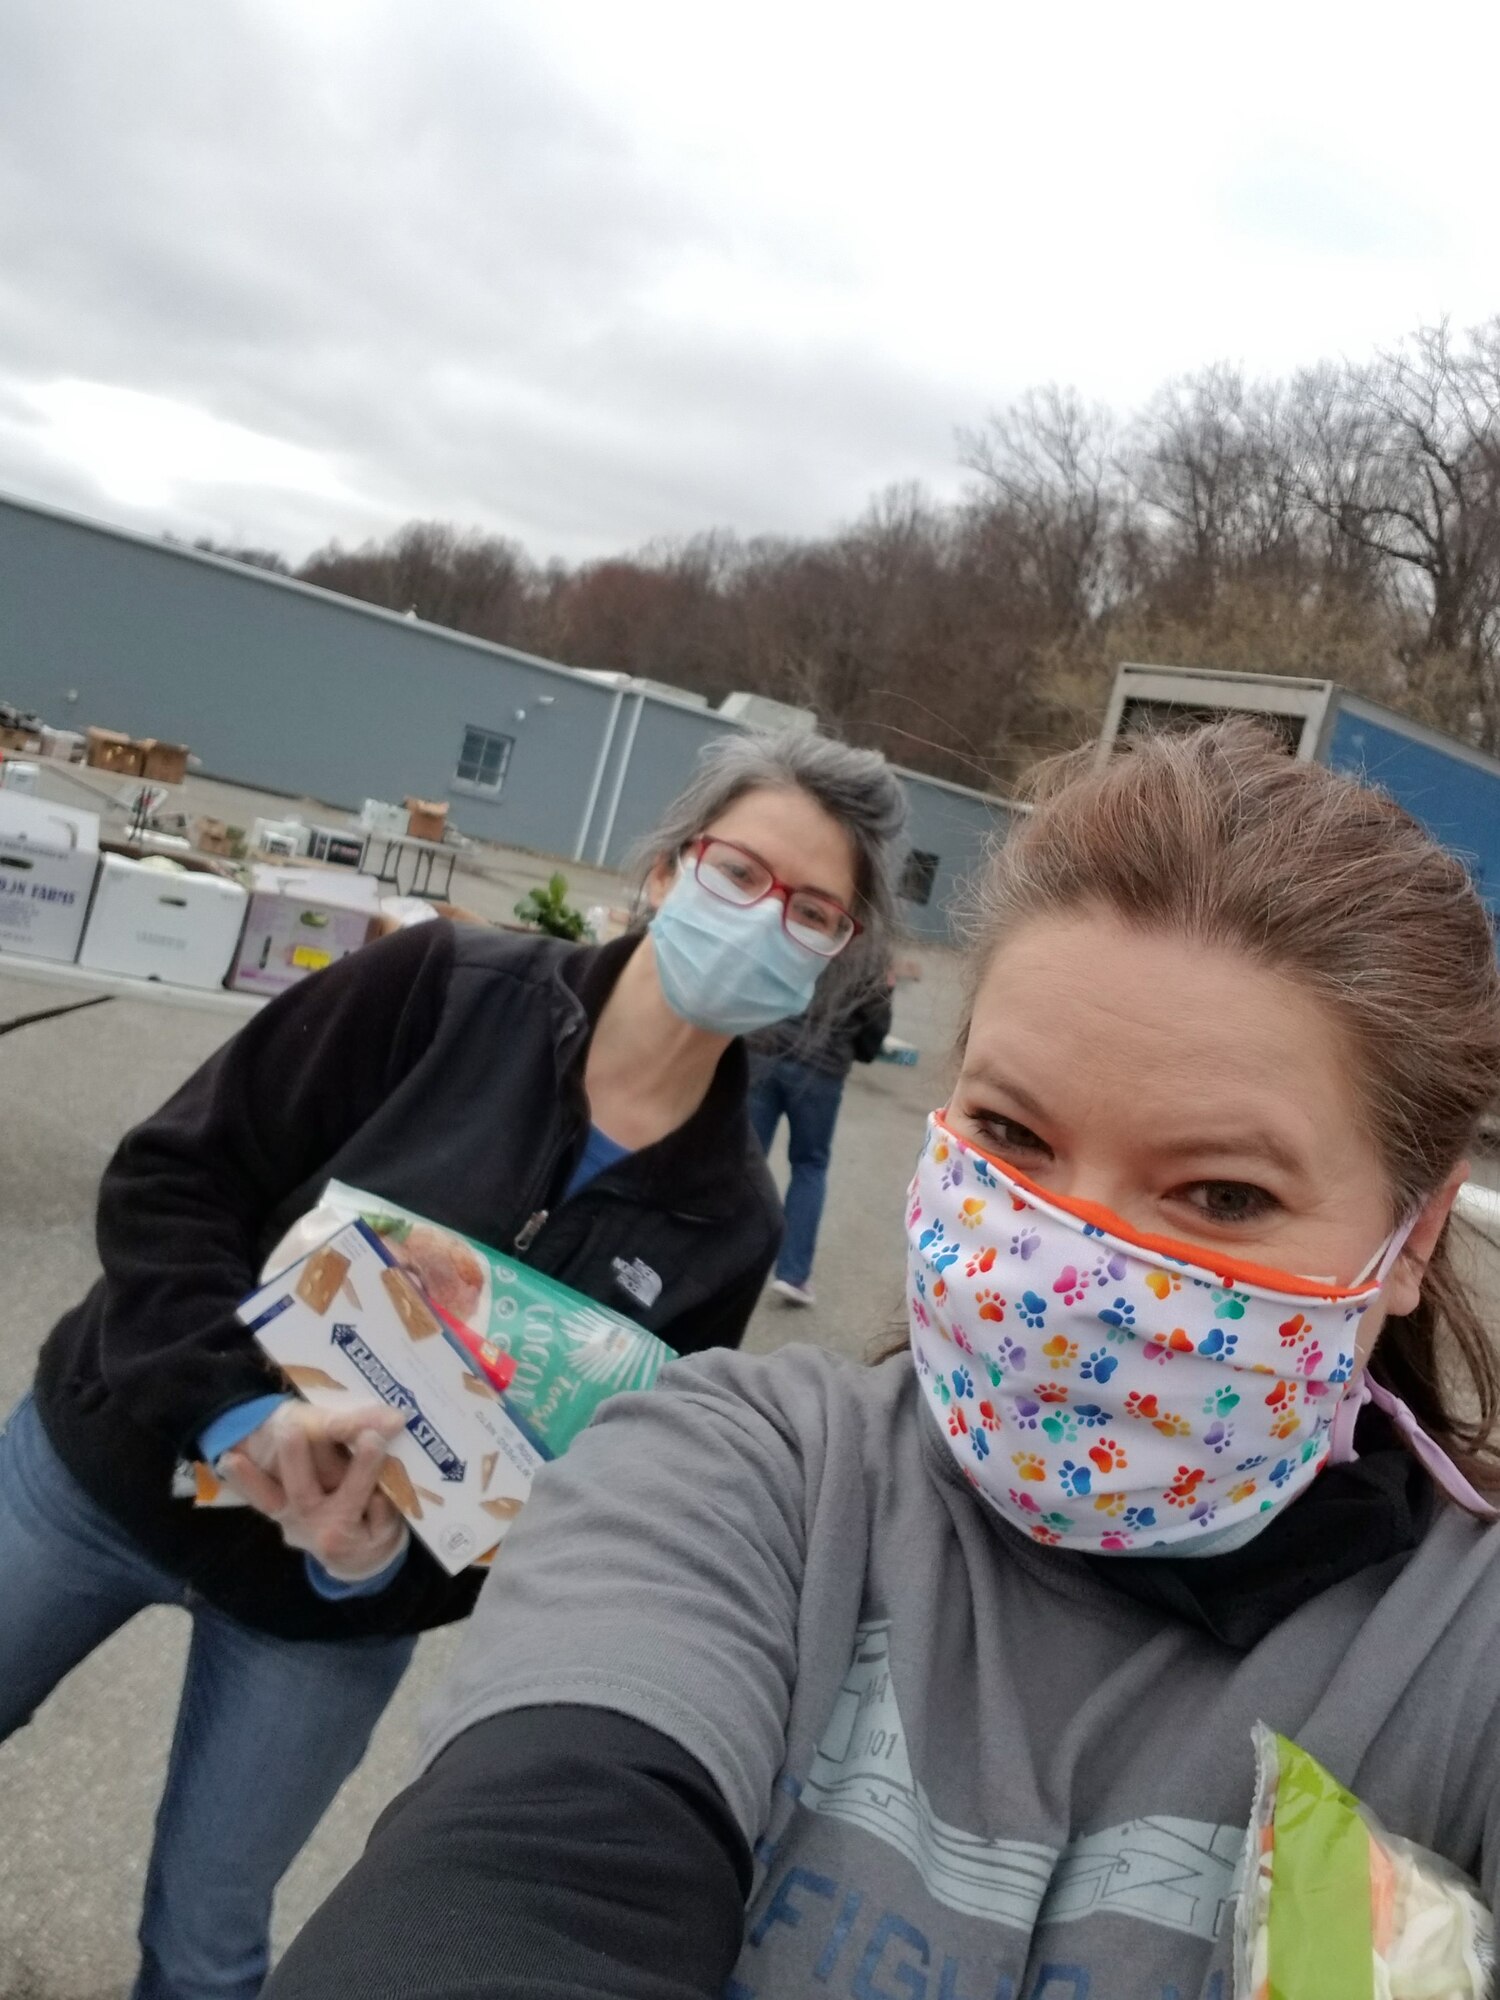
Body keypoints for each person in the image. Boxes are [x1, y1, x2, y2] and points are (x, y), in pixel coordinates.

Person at [266, 722, 1500, 2000]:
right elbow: (522, 1877)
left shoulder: (1461, 1660)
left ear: (1411, 1238)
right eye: (1015, 1133)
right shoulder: (745, 1474)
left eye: (1224, 1195)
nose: (1063, 1273)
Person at [0, 726, 907, 2000]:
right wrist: (239, 1410)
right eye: (742, 874)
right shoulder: (440, 987)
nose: (768, 921)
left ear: (836, 957)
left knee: (208, 1948)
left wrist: (388, 1556)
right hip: (106, 1465)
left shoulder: (730, 1219)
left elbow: (600, 1490)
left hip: (322, 1616)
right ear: (664, 872)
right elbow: (173, 1178)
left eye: (815, 910)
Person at [748, 962, 896, 1306]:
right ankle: (793, 1274)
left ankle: (721, 1253)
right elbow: (874, 1029)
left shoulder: (798, 912)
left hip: (765, 1048)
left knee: (745, 1157)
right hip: (820, 1068)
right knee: (809, 1165)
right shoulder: (873, 946)